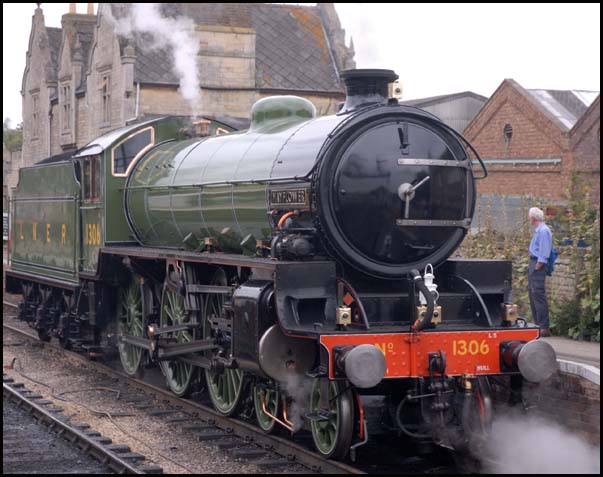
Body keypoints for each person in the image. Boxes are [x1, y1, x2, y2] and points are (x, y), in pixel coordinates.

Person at [527, 207, 553, 337]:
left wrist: (539, 263)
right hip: (534, 262)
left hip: (537, 263)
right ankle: (538, 324)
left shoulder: (543, 231)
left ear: (533, 218)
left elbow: (544, 249)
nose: (528, 219)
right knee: (532, 294)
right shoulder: (539, 231)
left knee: (538, 294)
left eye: (529, 216)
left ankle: (543, 326)